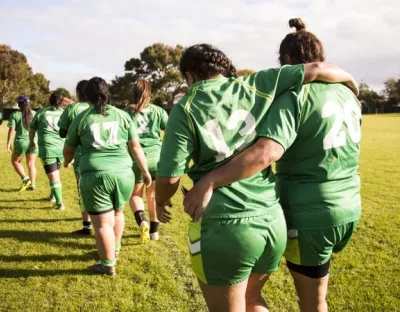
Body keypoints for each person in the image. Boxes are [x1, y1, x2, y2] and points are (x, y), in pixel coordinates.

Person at [155, 43, 358, 312]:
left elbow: (169, 178)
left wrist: (160, 201)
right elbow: (317, 69)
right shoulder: (255, 83)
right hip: (272, 218)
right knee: (252, 300)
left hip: (225, 223)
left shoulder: (186, 108)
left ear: (188, 75)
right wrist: (351, 81)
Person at [64, 77, 151, 276]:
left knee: (103, 223)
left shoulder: (83, 118)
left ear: (87, 96)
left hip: (96, 175)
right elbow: (135, 146)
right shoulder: (122, 116)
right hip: (124, 173)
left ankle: (107, 264)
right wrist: (145, 171)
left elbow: (68, 149)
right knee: (118, 213)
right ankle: (116, 249)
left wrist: (67, 161)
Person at [125, 79, 168, 242]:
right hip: (156, 158)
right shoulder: (159, 111)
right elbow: (170, 132)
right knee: (153, 196)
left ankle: (142, 221)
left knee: (136, 195)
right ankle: (154, 232)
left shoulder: (126, 113)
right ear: (149, 94)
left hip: (135, 159)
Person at [58, 80, 93, 235]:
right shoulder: (102, 108)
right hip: (107, 157)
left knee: (83, 191)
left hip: (81, 156)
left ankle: (87, 225)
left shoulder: (73, 108)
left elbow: (62, 132)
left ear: (79, 92)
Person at [30, 91, 67, 210]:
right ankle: (53, 195)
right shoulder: (64, 113)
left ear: (49, 100)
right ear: (62, 102)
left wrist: (31, 141)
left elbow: (32, 129)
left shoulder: (41, 112)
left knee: (53, 176)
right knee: (54, 173)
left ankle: (60, 203)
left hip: (47, 147)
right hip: (62, 147)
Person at [7, 95, 37, 191]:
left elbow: (11, 131)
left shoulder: (15, 115)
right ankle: (33, 184)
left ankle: (25, 179)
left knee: (15, 161)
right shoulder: (35, 114)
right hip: (34, 142)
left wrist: (8, 143)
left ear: (19, 104)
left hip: (21, 142)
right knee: (31, 164)